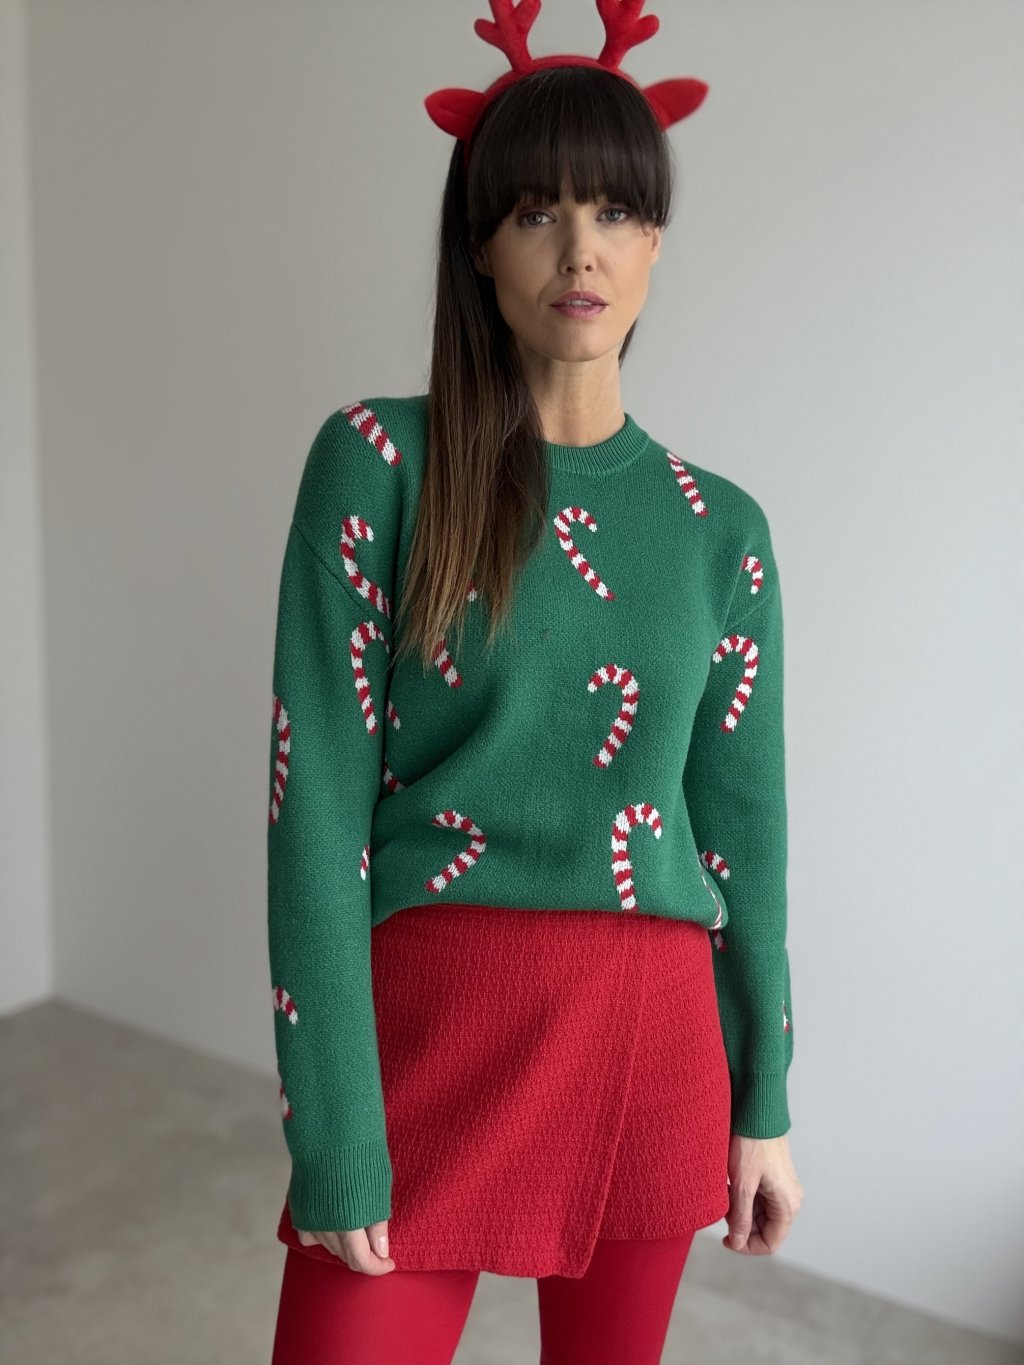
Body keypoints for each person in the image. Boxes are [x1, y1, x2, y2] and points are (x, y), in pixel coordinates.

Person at [268, 4, 803, 1361]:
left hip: (653, 1045)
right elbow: (313, 812)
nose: (581, 251)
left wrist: (766, 1099)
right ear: (479, 244)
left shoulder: (719, 529)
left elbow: (743, 835)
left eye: (617, 211)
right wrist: (334, 1128)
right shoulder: (379, 466)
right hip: (437, 1031)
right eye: (537, 213)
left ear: (657, 241)